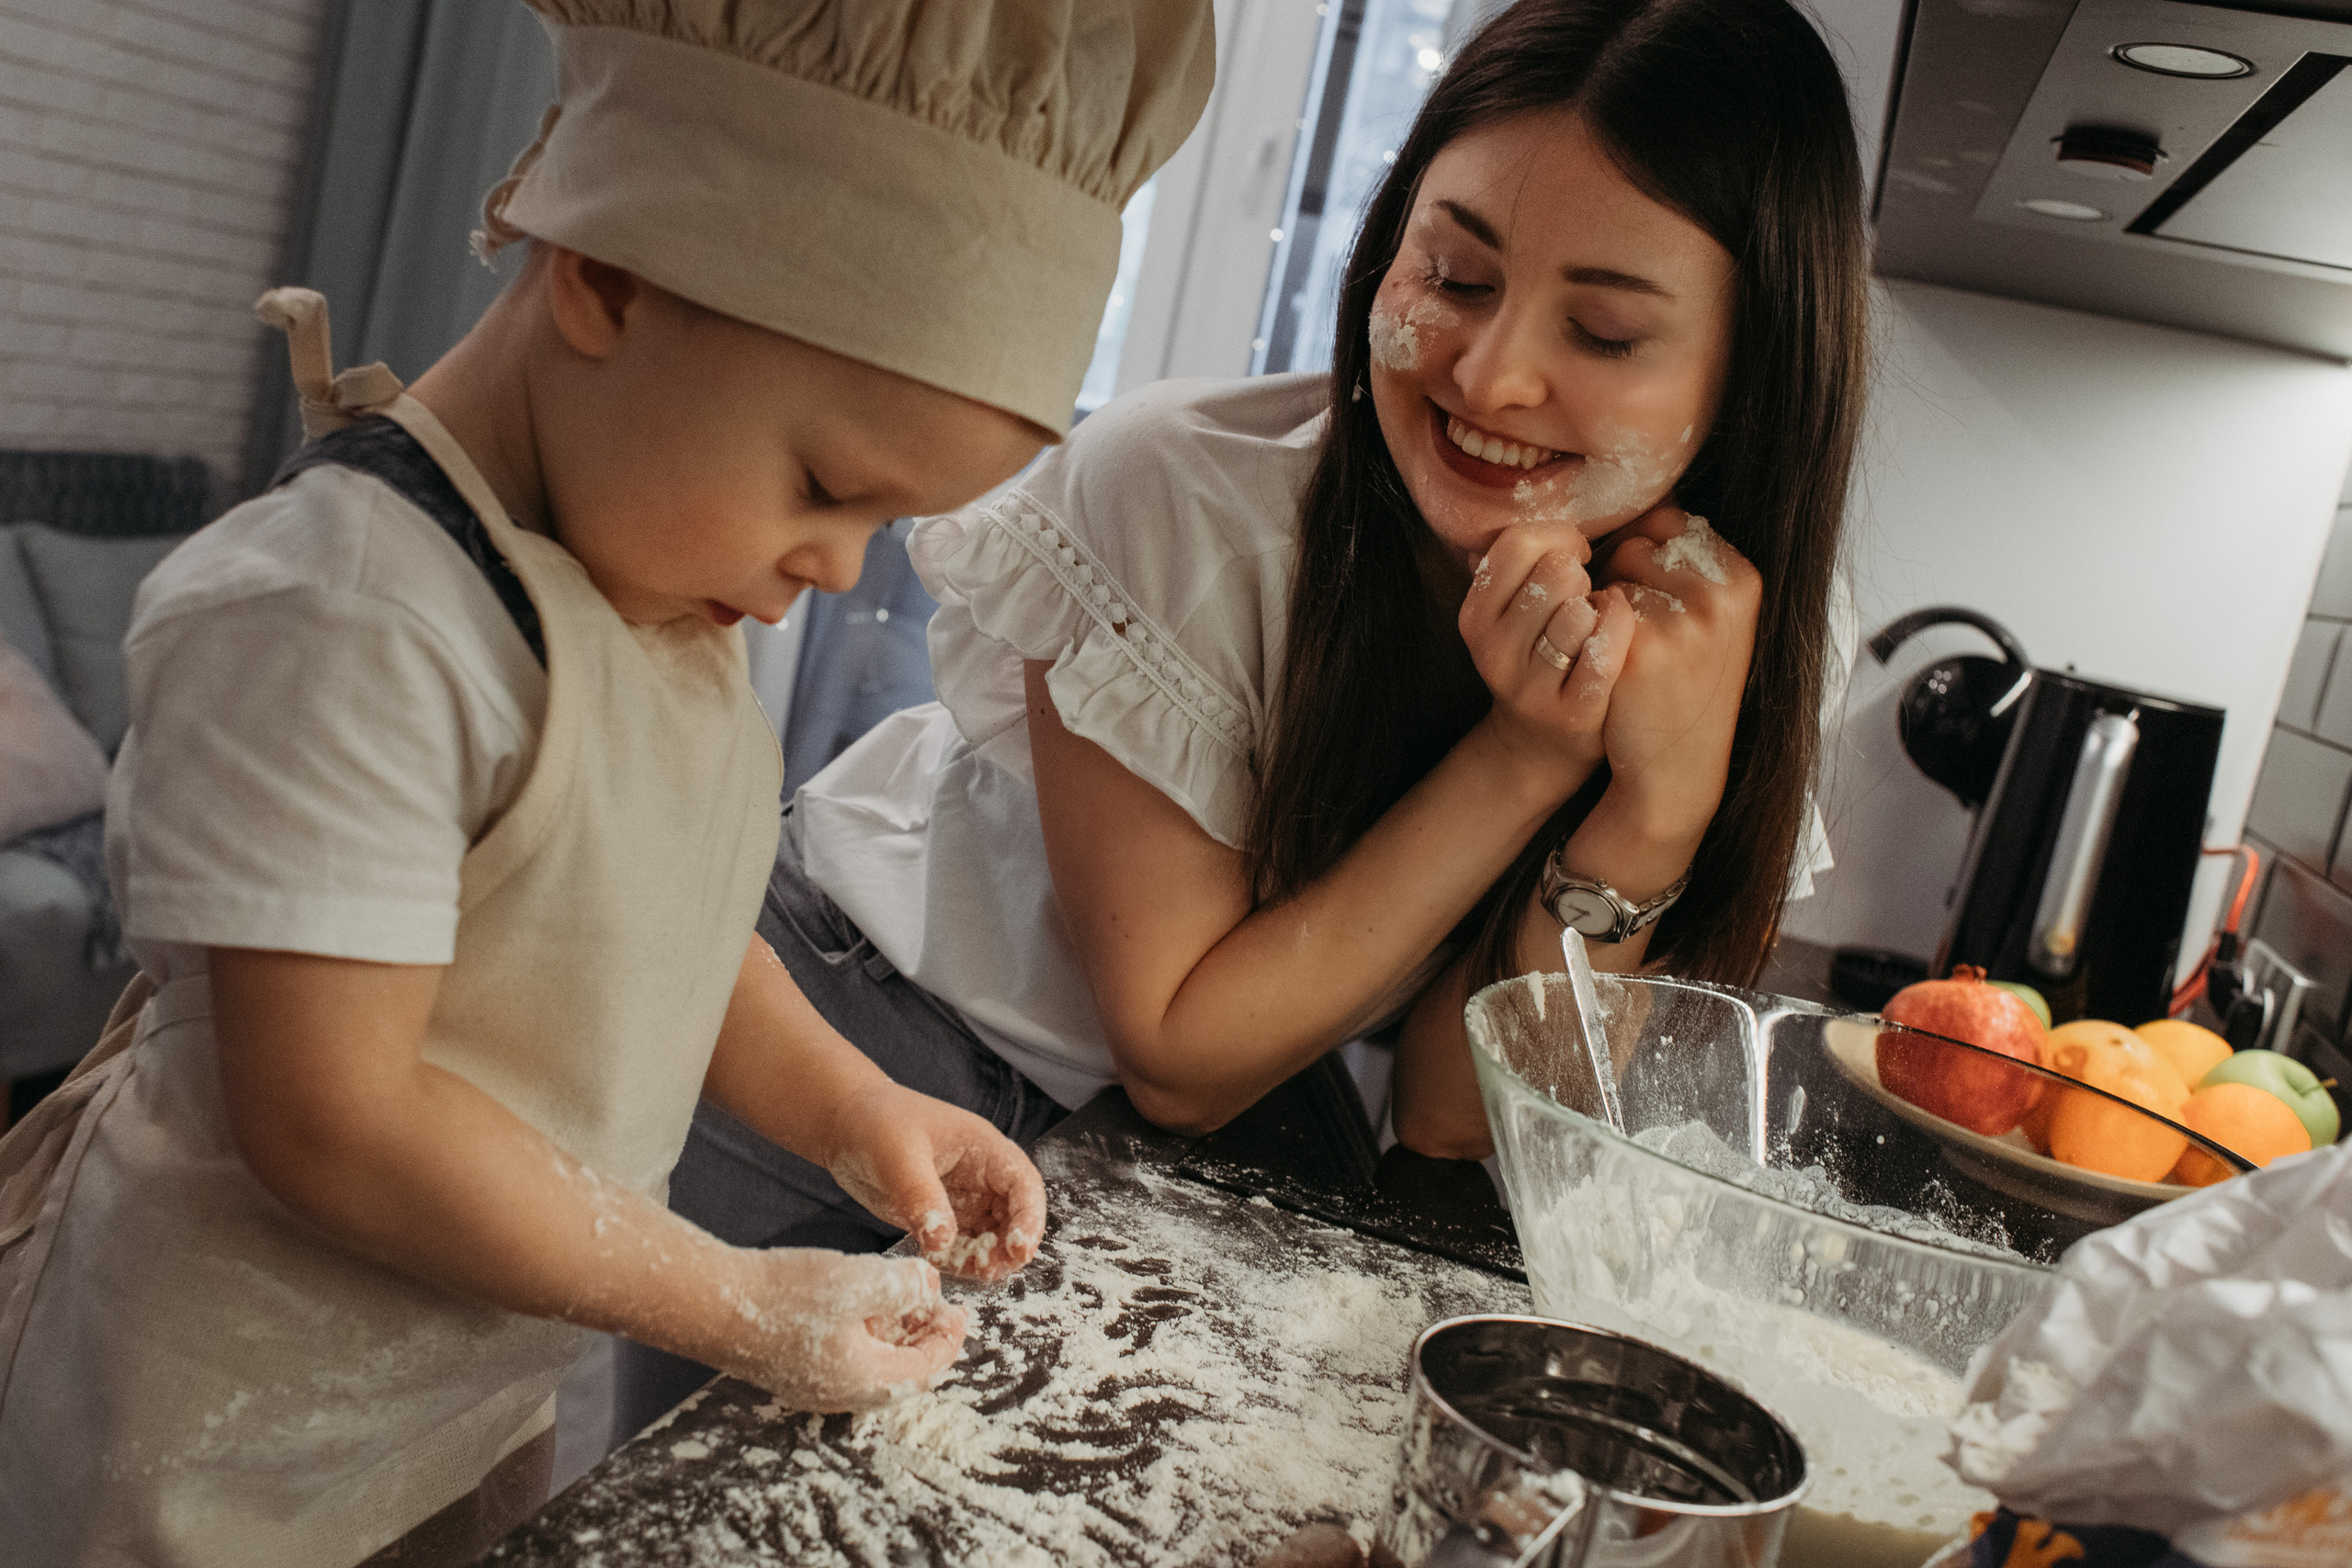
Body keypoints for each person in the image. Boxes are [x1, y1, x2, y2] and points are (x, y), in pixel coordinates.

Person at [0, 3, 1213, 1563]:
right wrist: (733, 1297)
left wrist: (859, 1110)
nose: (831, 573)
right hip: (197, 1448)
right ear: (609, 275)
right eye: (827, 486)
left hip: (451, 1405)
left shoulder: (657, 590)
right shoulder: (343, 613)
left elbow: (672, 940)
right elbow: (336, 1117)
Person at [616, 0, 1865, 1425]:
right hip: (864, 1046)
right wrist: (1528, 756)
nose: (1489, 374)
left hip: (1175, 1148)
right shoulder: (1181, 499)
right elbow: (1185, 1054)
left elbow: (1461, 1124)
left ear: (1749, 373)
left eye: (1599, 329)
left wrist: (1655, 808)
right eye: (1453, 276)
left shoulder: (1719, 636)